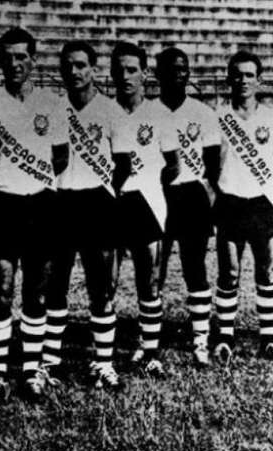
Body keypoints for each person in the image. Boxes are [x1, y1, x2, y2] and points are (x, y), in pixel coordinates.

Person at [0, 27, 68, 403]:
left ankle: (32, 370)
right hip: (4, 204)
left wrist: (39, 181)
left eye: (22, 57)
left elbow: (61, 156)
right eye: (9, 57)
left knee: (37, 290)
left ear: (33, 60)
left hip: (42, 204)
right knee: (0, 291)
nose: (15, 64)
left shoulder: (52, 103)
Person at [50, 40, 122, 389]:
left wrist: (105, 191)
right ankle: (48, 362)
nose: (74, 72)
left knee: (101, 285)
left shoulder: (110, 110)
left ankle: (103, 362)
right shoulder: (51, 109)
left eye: (80, 65)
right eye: (68, 65)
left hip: (98, 202)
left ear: (93, 69)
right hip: (60, 201)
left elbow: (122, 163)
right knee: (55, 283)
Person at [212, 51, 273, 364]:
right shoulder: (218, 116)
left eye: (249, 75)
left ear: (259, 80)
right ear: (229, 77)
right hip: (230, 201)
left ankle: (268, 338)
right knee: (229, 274)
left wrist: (267, 191)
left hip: (263, 204)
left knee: (266, 272)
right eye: (237, 74)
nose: (243, 80)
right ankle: (225, 338)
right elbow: (210, 165)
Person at [109, 42, 180, 378]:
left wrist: (146, 182)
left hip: (148, 201)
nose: (126, 77)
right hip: (112, 201)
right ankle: (104, 354)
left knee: (147, 281)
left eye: (132, 70)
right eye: (120, 70)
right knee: (106, 281)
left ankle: (150, 350)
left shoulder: (159, 114)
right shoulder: (104, 112)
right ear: (111, 73)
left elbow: (173, 166)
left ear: (145, 73)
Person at [155, 47, 221, 367]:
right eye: (168, 70)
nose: (175, 75)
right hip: (156, 193)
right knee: (155, 269)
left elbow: (212, 164)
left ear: (188, 74)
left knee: (195, 267)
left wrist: (205, 193)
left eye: (181, 69)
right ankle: (148, 339)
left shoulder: (203, 113)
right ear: (157, 74)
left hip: (191, 195)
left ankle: (200, 339)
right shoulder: (147, 111)